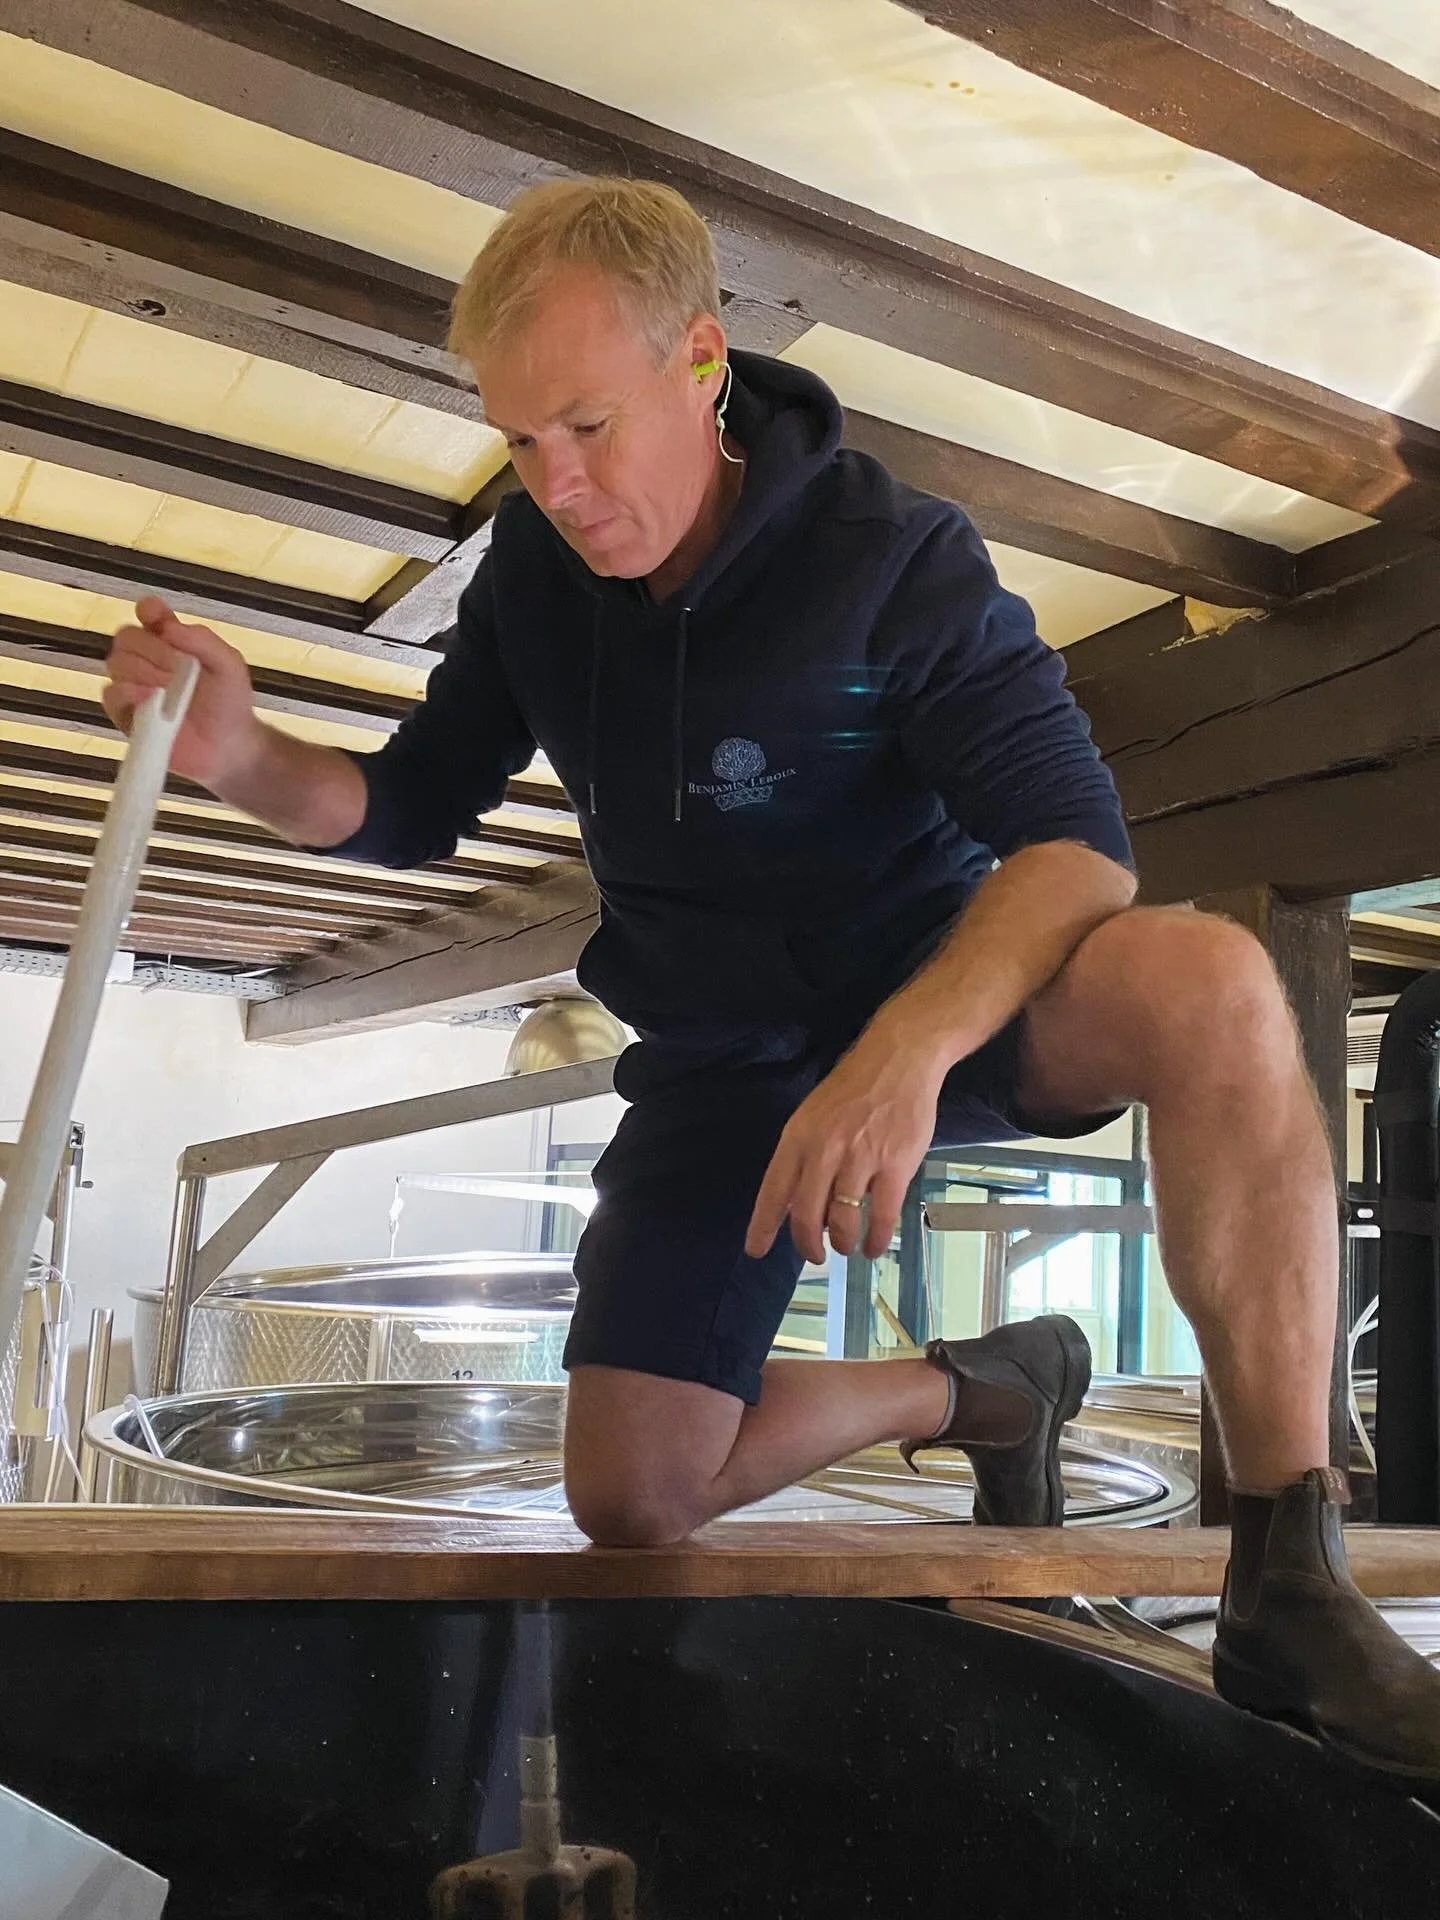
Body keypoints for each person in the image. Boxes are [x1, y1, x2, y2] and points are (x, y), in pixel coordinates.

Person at [106, 178, 1440, 1786]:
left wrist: (904, 1053)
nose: (562, 483)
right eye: (522, 442)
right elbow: (404, 806)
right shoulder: (536, 573)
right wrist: (237, 745)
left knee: (1215, 982)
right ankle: (984, 1390)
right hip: (723, 1061)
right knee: (634, 1497)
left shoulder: (892, 556)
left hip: (954, 995)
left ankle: (1288, 1571)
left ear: (703, 361)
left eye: (588, 425)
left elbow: (1080, 850)